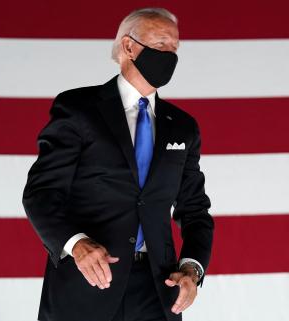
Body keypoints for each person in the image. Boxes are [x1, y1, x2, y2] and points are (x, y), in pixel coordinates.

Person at [23, 8, 214, 321]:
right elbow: (41, 194)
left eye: (174, 48)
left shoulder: (183, 126)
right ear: (129, 47)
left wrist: (191, 269)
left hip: (158, 291)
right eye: (162, 44)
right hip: (86, 285)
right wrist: (77, 244)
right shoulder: (77, 109)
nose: (170, 55)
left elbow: (195, 211)